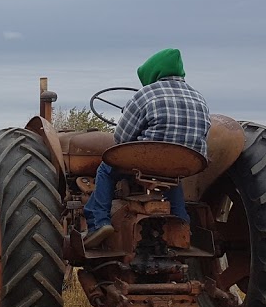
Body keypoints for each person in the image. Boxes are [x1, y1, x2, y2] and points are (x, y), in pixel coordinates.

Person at [82, 48, 210, 248]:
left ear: (153, 72)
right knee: (171, 177)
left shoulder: (146, 95)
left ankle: (99, 223)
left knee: (106, 169)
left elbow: (121, 138)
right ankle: (182, 223)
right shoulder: (199, 98)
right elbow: (204, 134)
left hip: (145, 164)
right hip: (183, 164)